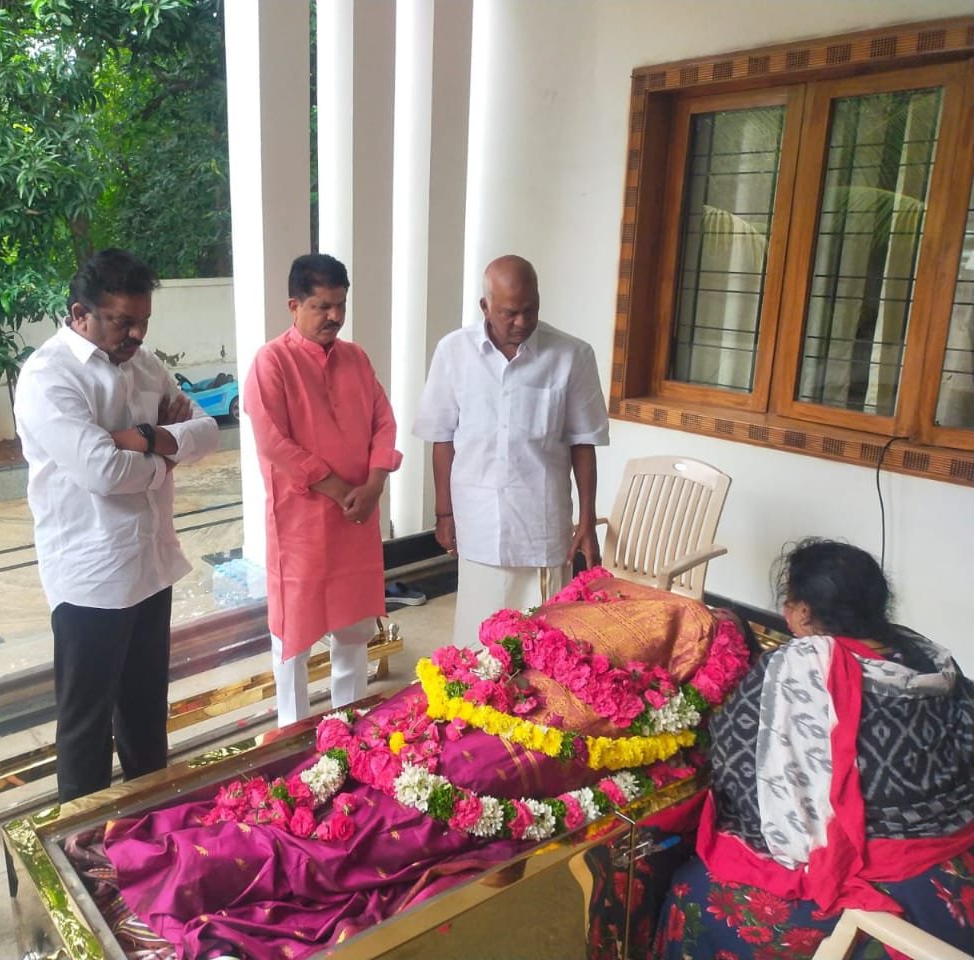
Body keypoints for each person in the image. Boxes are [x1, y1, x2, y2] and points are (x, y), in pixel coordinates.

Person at [655, 539, 974, 959]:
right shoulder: (929, 656)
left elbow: (738, 771)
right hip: (952, 838)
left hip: (874, 863)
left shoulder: (797, 668)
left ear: (802, 612)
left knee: (688, 889)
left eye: (789, 600)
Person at [14, 248, 219, 803]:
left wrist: (144, 439)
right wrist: (167, 452)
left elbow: (209, 431)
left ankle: (149, 828)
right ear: (80, 314)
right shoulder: (48, 377)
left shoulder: (145, 364)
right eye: (122, 321)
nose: (135, 334)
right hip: (91, 577)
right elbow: (102, 473)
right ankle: (83, 846)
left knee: (146, 711)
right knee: (86, 724)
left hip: (150, 564)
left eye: (143, 321)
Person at [413, 254, 609, 647]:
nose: (521, 322)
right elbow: (442, 439)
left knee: (546, 646)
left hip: (542, 528)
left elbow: (583, 443)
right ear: (485, 306)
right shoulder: (453, 352)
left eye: (530, 310)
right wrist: (443, 513)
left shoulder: (572, 355)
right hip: (478, 523)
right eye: (509, 313)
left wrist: (587, 517)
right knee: (478, 644)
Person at [243, 253, 402, 726]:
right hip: (302, 525)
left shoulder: (356, 358)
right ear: (294, 305)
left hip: (356, 518)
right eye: (321, 306)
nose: (334, 316)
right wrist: (338, 488)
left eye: (340, 305)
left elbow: (384, 422)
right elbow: (273, 441)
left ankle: (346, 726)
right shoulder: (272, 362)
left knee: (353, 632)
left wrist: (374, 484)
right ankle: (293, 733)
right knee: (293, 638)